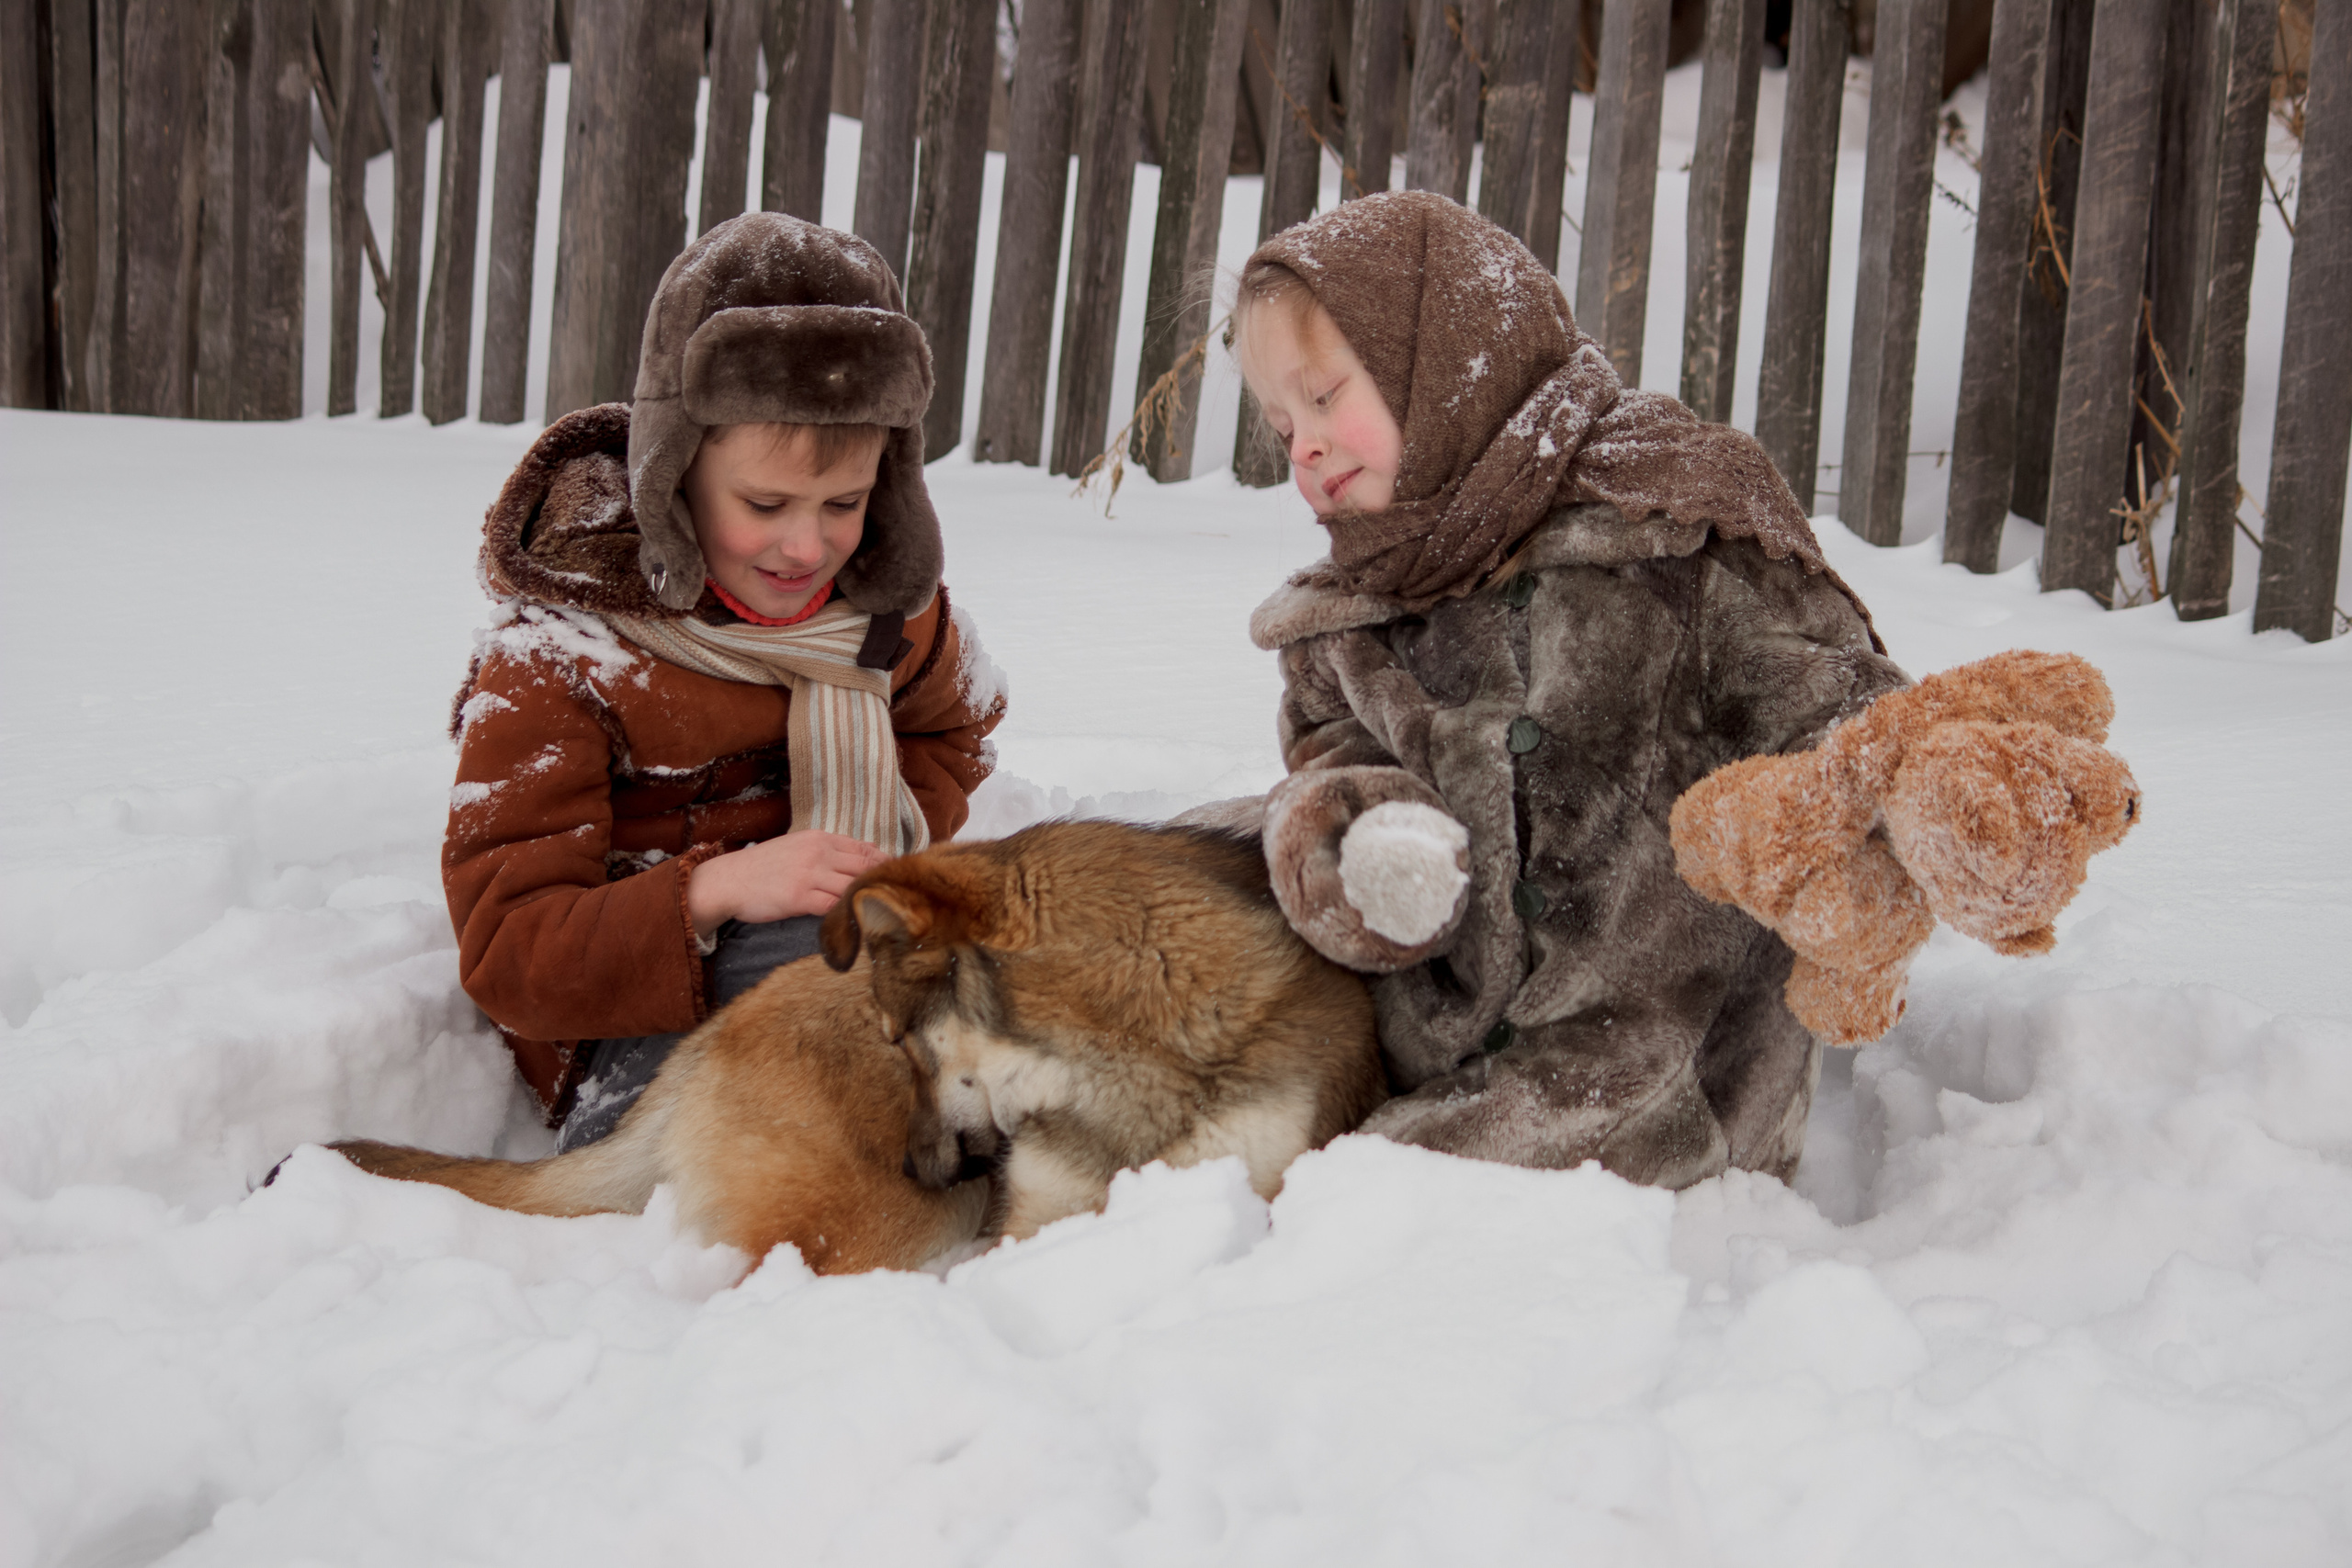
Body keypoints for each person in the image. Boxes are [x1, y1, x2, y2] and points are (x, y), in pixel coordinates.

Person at [1220, 190, 1911, 1187]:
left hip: (1662, 1065)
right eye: (1282, 423)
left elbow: (1844, 718)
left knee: (1367, 1200)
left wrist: (1887, 810)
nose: (1304, 444)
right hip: (1432, 1038)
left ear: (1449, 366)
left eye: (1325, 397)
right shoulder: (1347, 627)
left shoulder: (1671, 537)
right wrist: (1353, 844)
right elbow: (1340, 768)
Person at [444, 212, 1004, 1150]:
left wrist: (874, 843)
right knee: (865, 999)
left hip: (826, 933)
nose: (805, 545)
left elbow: (955, 729)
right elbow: (509, 951)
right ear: (673, 476)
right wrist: (721, 888)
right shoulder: (568, 649)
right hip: (637, 1022)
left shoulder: (886, 612)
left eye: (845, 504)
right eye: (764, 504)